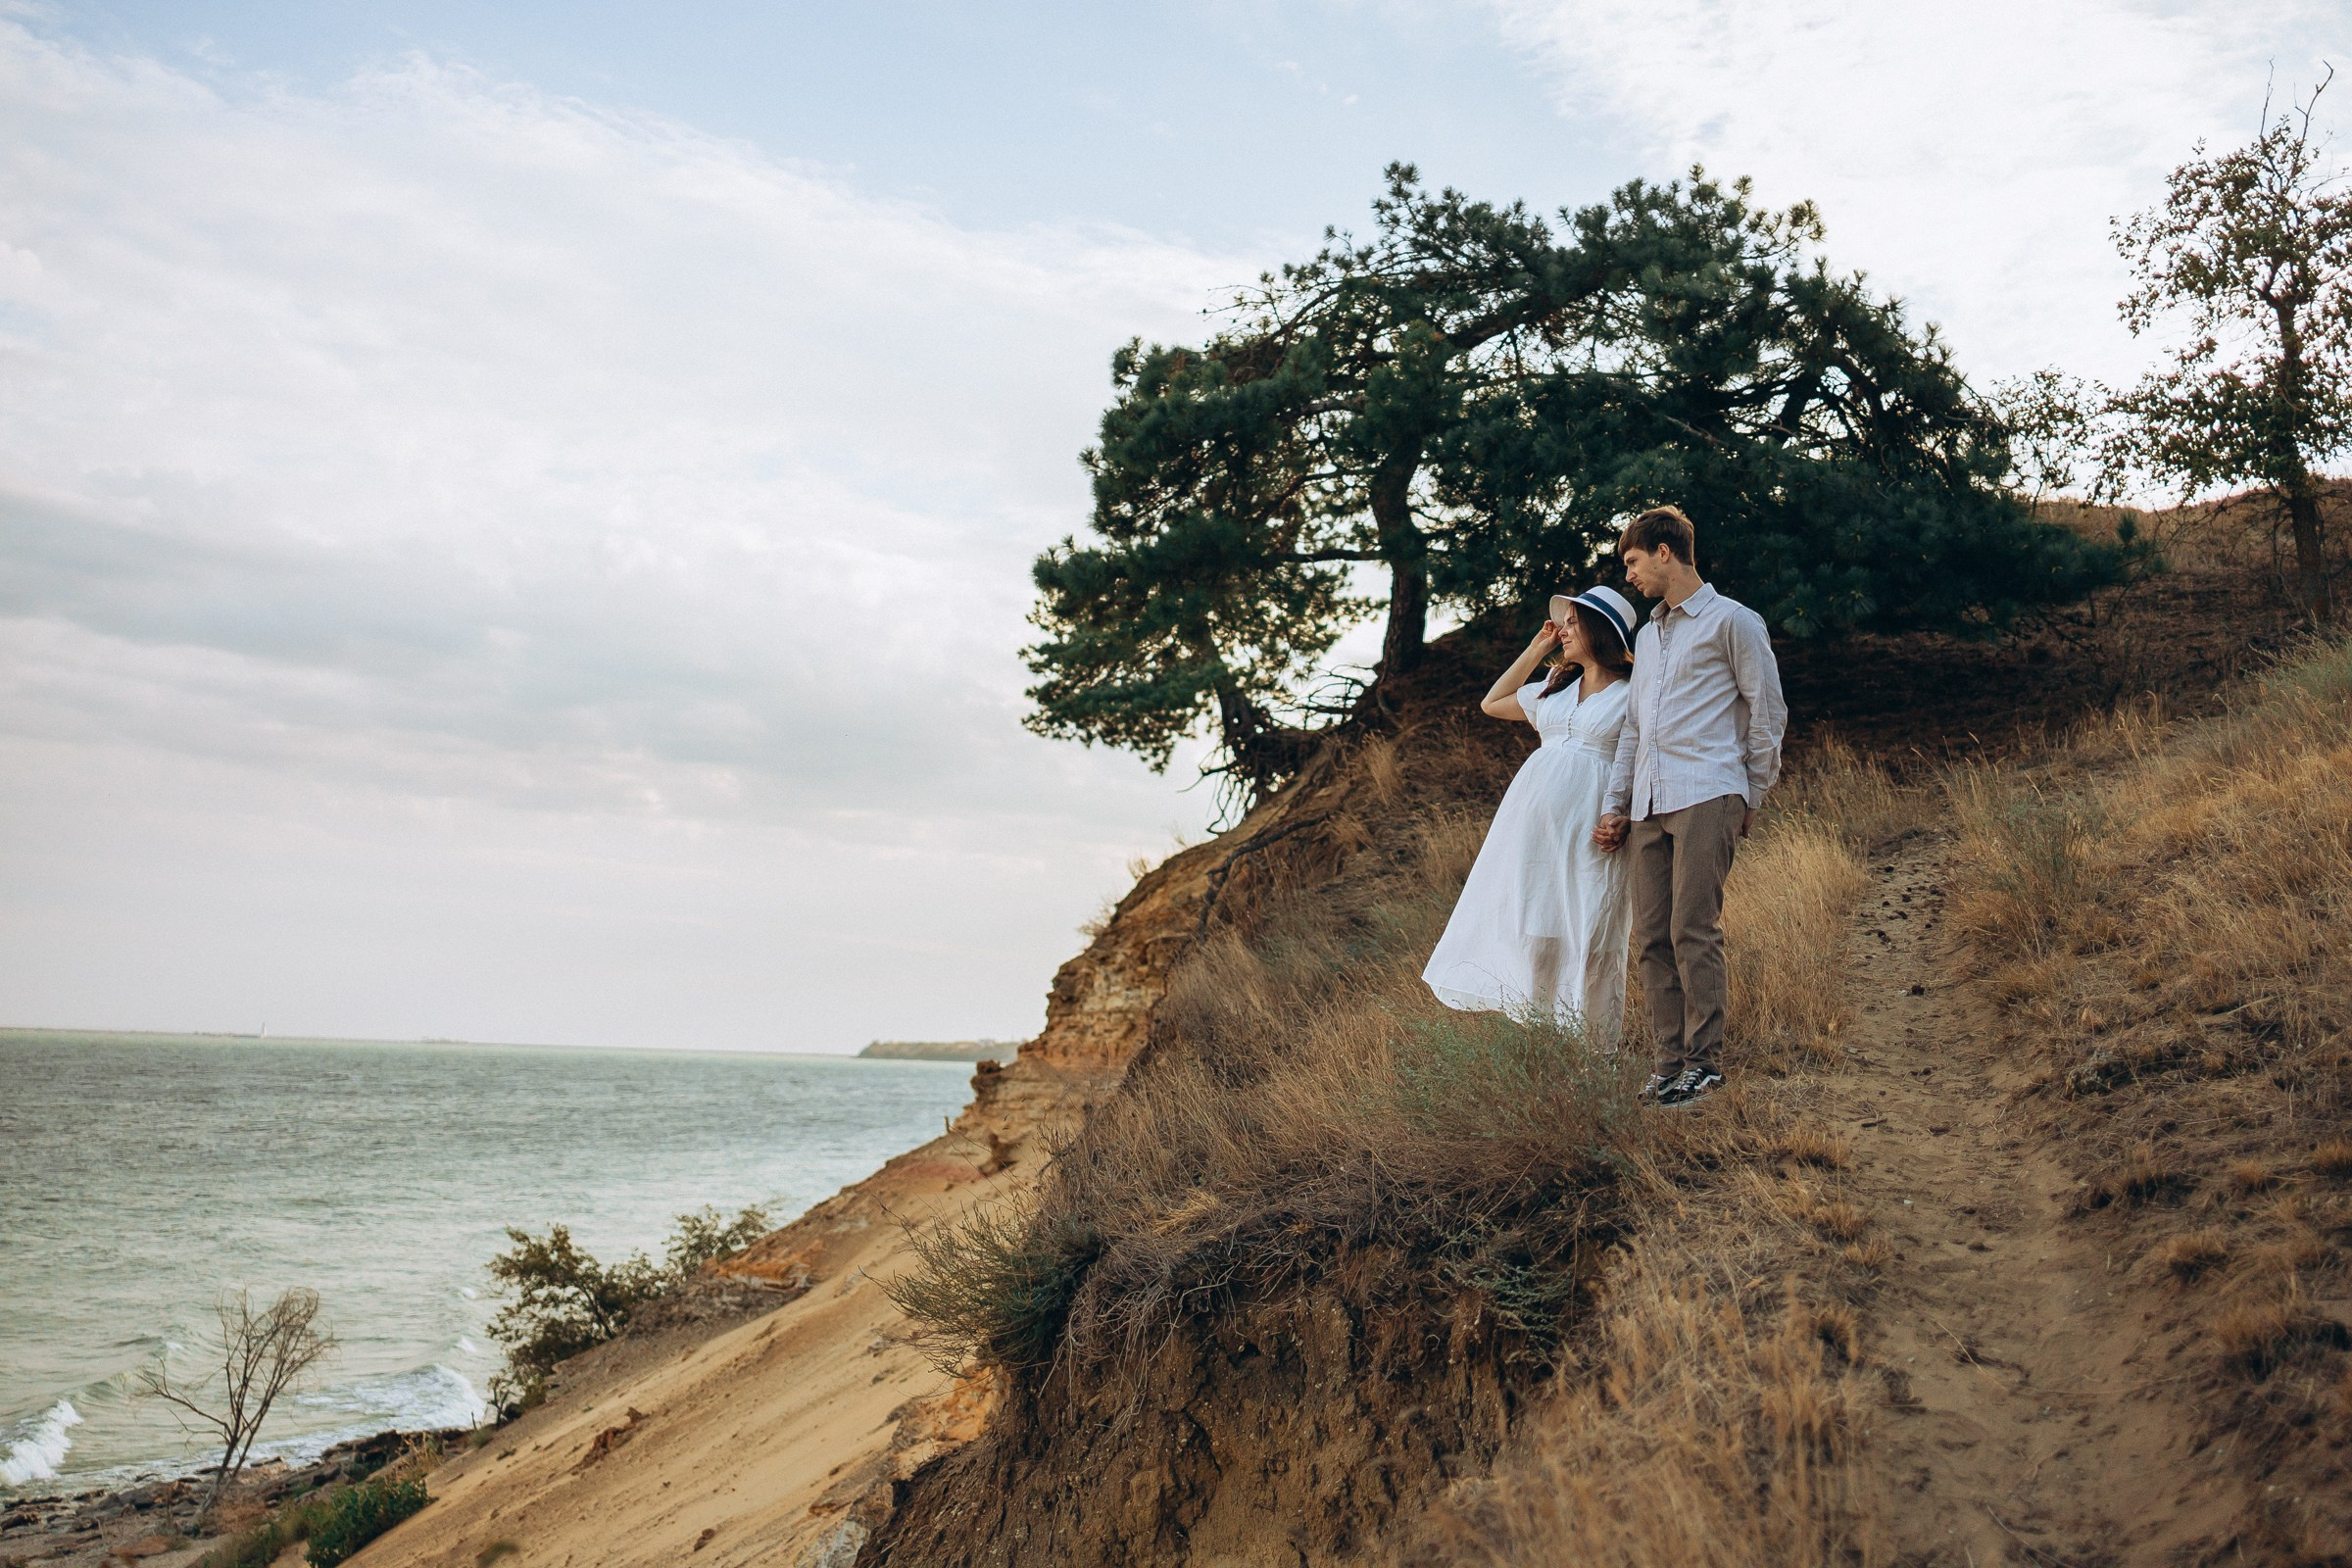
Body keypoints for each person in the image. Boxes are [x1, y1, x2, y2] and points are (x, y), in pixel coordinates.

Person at [1592, 505, 1787, 1108]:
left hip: (1709, 790)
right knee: (1651, 936)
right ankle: (1669, 1064)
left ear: (1665, 553)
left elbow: (1767, 713)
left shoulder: (1735, 622)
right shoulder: (1647, 637)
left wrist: (1751, 793)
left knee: (1691, 929)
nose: (1629, 575)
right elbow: (1632, 729)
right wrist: (1615, 804)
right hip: (1649, 803)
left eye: (1632, 561)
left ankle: (1704, 1064)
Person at [1423, 585, 1641, 1044]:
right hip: (1532, 825)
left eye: (1572, 623)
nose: (1563, 630)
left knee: (1592, 928)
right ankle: (1543, 1040)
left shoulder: (1632, 693)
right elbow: (1492, 702)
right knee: (1537, 928)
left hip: (1592, 823)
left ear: (1600, 631)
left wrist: (1624, 816)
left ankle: (1594, 1051)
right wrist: (1537, 646)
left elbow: (1643, 760)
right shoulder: (1554, 689)